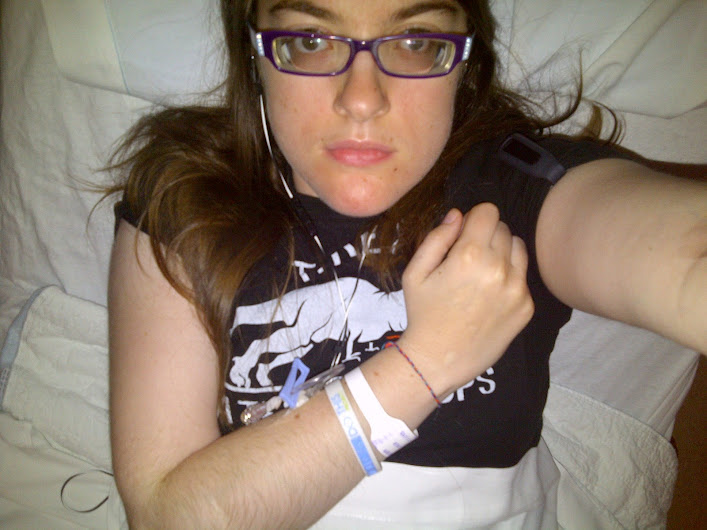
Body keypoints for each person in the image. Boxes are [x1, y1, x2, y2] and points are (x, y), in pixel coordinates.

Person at [107, 0, 706, 527]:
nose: (362, 100)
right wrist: (425, 364)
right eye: (311, 40)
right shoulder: (189, 200)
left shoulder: (508, 190)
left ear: (464, 57)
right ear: (255, 50)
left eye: (416, 41)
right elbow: (168, 516)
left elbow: (684, 258)